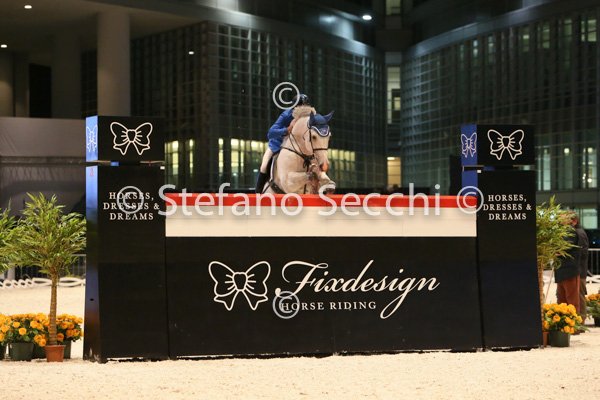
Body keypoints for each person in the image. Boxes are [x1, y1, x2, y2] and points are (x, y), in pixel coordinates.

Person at [255, 94, 311, 193]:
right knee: (264, 166)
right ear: (295, 107)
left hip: (296, 149)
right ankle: (257, 193)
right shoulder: (286, 115)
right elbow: (271, 133)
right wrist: (287, 130)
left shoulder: (307, 119)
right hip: (277, 146)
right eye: (302, 107)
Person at [555, 212, 581, 312]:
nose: (559, 218)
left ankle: (574, 321)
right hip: (561, 270)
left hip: (569, 271)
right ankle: (564, 320)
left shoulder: (571, 231)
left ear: (569, 220)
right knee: (561, 299)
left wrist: (554, 251)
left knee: (572, 300)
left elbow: (565, 247)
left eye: (562, 216)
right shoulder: (561, 231)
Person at [574, 215, 589, 321]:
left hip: (579, 270)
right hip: (577, 269)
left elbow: (583, 252)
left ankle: (582, 320)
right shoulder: (577, 232)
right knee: (578, 294)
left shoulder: (579, 233)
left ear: (574, 221)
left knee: (580, 295)